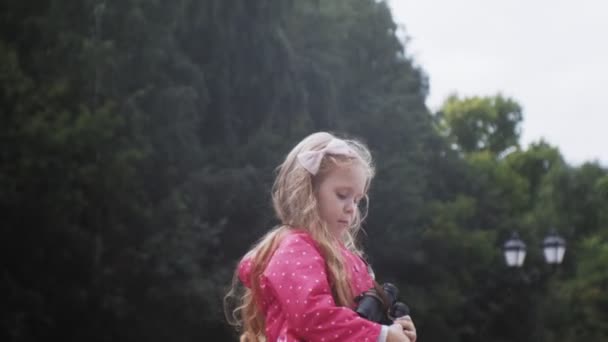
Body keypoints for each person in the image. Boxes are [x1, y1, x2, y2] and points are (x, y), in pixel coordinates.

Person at [225, 132, 416, 342]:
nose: (351, 208)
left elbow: (351, 325)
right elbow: (313, 318)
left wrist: (393, 329)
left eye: (357, 200)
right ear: (307, 192)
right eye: (342, 195)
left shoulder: (343, 256)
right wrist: (382, 335)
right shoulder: (295, 248)